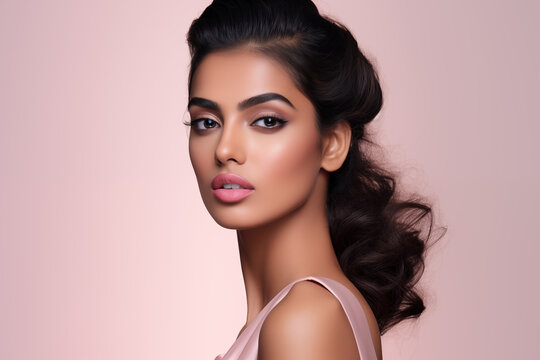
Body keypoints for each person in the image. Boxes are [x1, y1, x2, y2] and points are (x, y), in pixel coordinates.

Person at [184, 0, 445, 359]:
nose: (225, 148)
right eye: (206, 122)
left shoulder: (305, 321)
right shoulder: (297, 314)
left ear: (332, 144)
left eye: (267, 121)